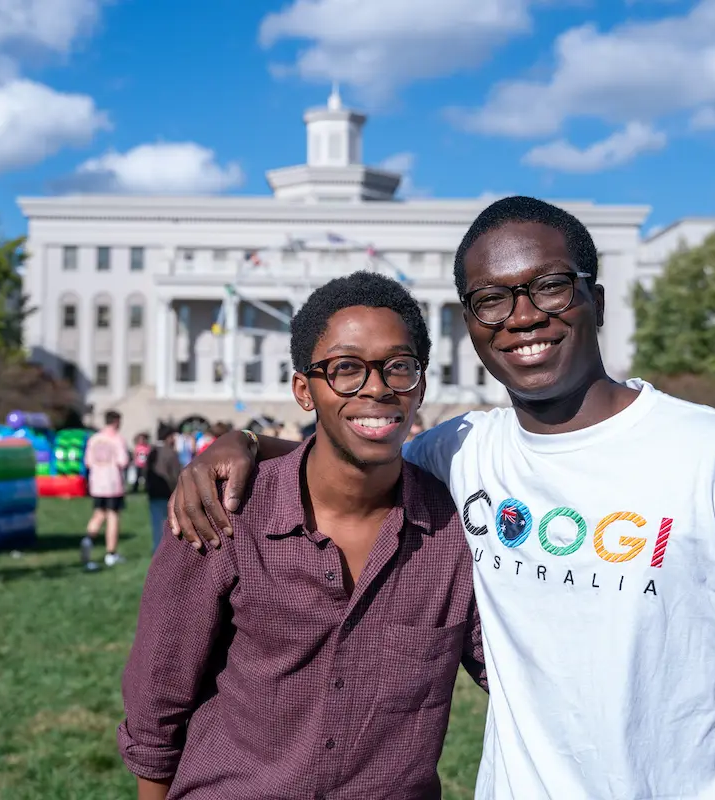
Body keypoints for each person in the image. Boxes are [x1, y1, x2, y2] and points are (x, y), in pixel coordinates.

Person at [170, 197, 715, 799]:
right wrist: (243, 442)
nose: (522, 316)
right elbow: (349, 454)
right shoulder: (460, 453)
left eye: (550, 288)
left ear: (597, 300)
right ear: (470, 324)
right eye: (491, 299)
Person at [119, 272, 484, 798]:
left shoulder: (456, 533)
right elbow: (158, 701)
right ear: (303, 391)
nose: (376, 387)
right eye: (346, 368)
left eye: (398, 366)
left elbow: (512, 674)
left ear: (421, 387)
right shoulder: (226, 511)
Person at [82, 409, 130, 569]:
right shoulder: (117, 439)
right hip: (112, 483)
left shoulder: (94, 439)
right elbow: (123, 461)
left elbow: (88, 462)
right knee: (113, 516)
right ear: (116, 421)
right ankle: (111, 553)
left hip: (97, 483)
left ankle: (88, 540)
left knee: (98, 514)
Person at [142, 423, 180, 556]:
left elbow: (145, 472)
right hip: (167, 492)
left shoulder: (152, 451)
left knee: (156, 523)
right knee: (169, 523)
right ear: (168, 437)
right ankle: (167, 550)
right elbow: (176, 475)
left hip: (153, 492)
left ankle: (158, 550)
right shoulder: (170, 452)